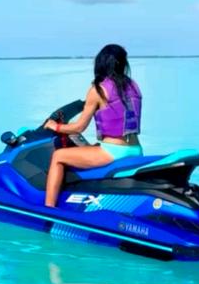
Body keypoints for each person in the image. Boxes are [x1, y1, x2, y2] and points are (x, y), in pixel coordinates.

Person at [43, 45, 143, 208]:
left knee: (58, 156)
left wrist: (56, 127)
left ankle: (49, 208)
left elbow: (79, 127)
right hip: (136, 149)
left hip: (113, 152)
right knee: (92, 147)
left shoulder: (98, 90)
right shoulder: (134, 86)